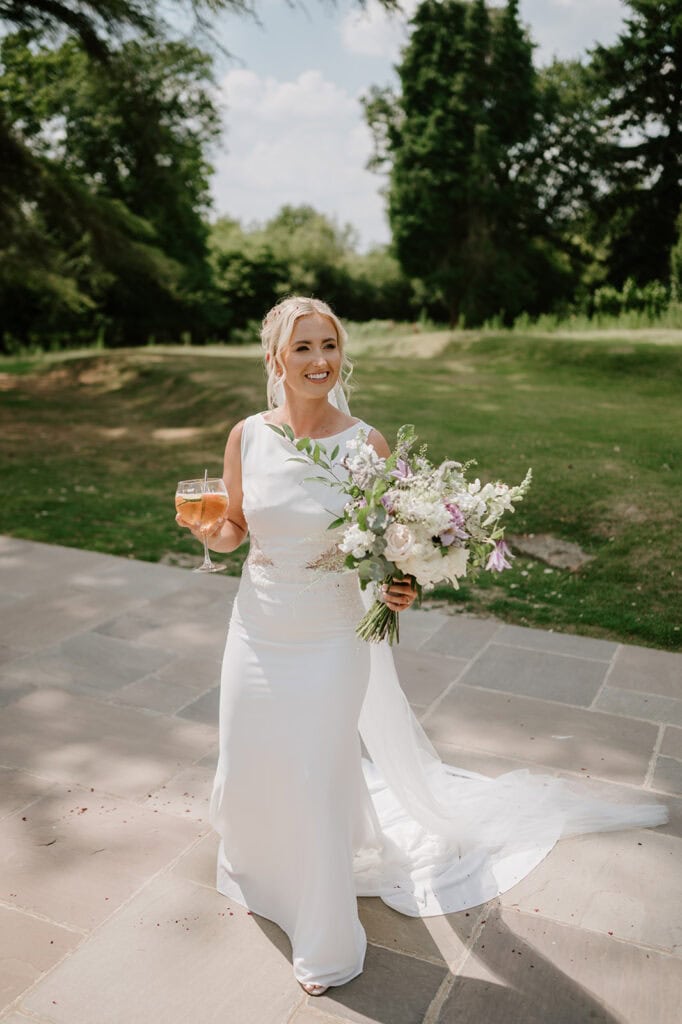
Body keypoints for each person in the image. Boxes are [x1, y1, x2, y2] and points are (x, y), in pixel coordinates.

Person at [176, 295, 668, 998]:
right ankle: (263, 870)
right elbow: (236, 529)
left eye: (330, 346)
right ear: (275, 360)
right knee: (252, 754)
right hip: (255, 626)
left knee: (317, 771)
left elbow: (391, 547)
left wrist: (401, 585)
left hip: (329, 636)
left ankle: (324, 936)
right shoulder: (246, 436)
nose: (320, 361)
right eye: (304, 348)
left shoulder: (366, 444)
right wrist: (206, 531)